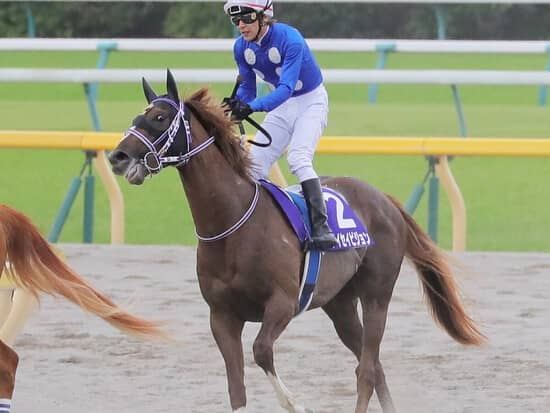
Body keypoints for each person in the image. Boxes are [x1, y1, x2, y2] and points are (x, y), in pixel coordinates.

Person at [223, 0, 338, 251]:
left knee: (298, 158)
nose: (241, 25)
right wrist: (237, 103)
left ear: (264, 16)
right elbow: (248, 88)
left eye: (247, 18)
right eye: (236, 20)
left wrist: (251, 107)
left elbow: (286, 88)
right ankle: (255, 228)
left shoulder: (290, 39)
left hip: (310, 102)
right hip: (282, 107)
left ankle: (321, 228)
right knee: (253, 167)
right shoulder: (241, 47)